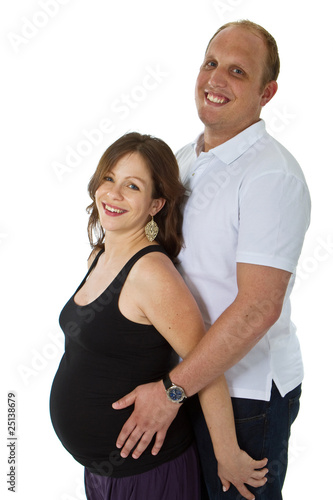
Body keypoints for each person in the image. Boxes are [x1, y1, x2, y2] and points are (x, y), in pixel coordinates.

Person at [111, 21, 311, 500]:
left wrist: (172, 391)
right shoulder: (182, 159)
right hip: (182, 383)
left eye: (237, 71)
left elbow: (258, 309)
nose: (216, 79)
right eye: (211, 63)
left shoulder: (271, 177)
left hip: (246, 396)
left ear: (267, 92)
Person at [49, 132, 268, 500]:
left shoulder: (152, 274)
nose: (114, 194)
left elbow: (206, 365)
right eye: (109, 178)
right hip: (103, 473)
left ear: (155, 205)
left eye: (132, 186)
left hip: (149, 475)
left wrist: (226, 453)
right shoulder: (99, 257)